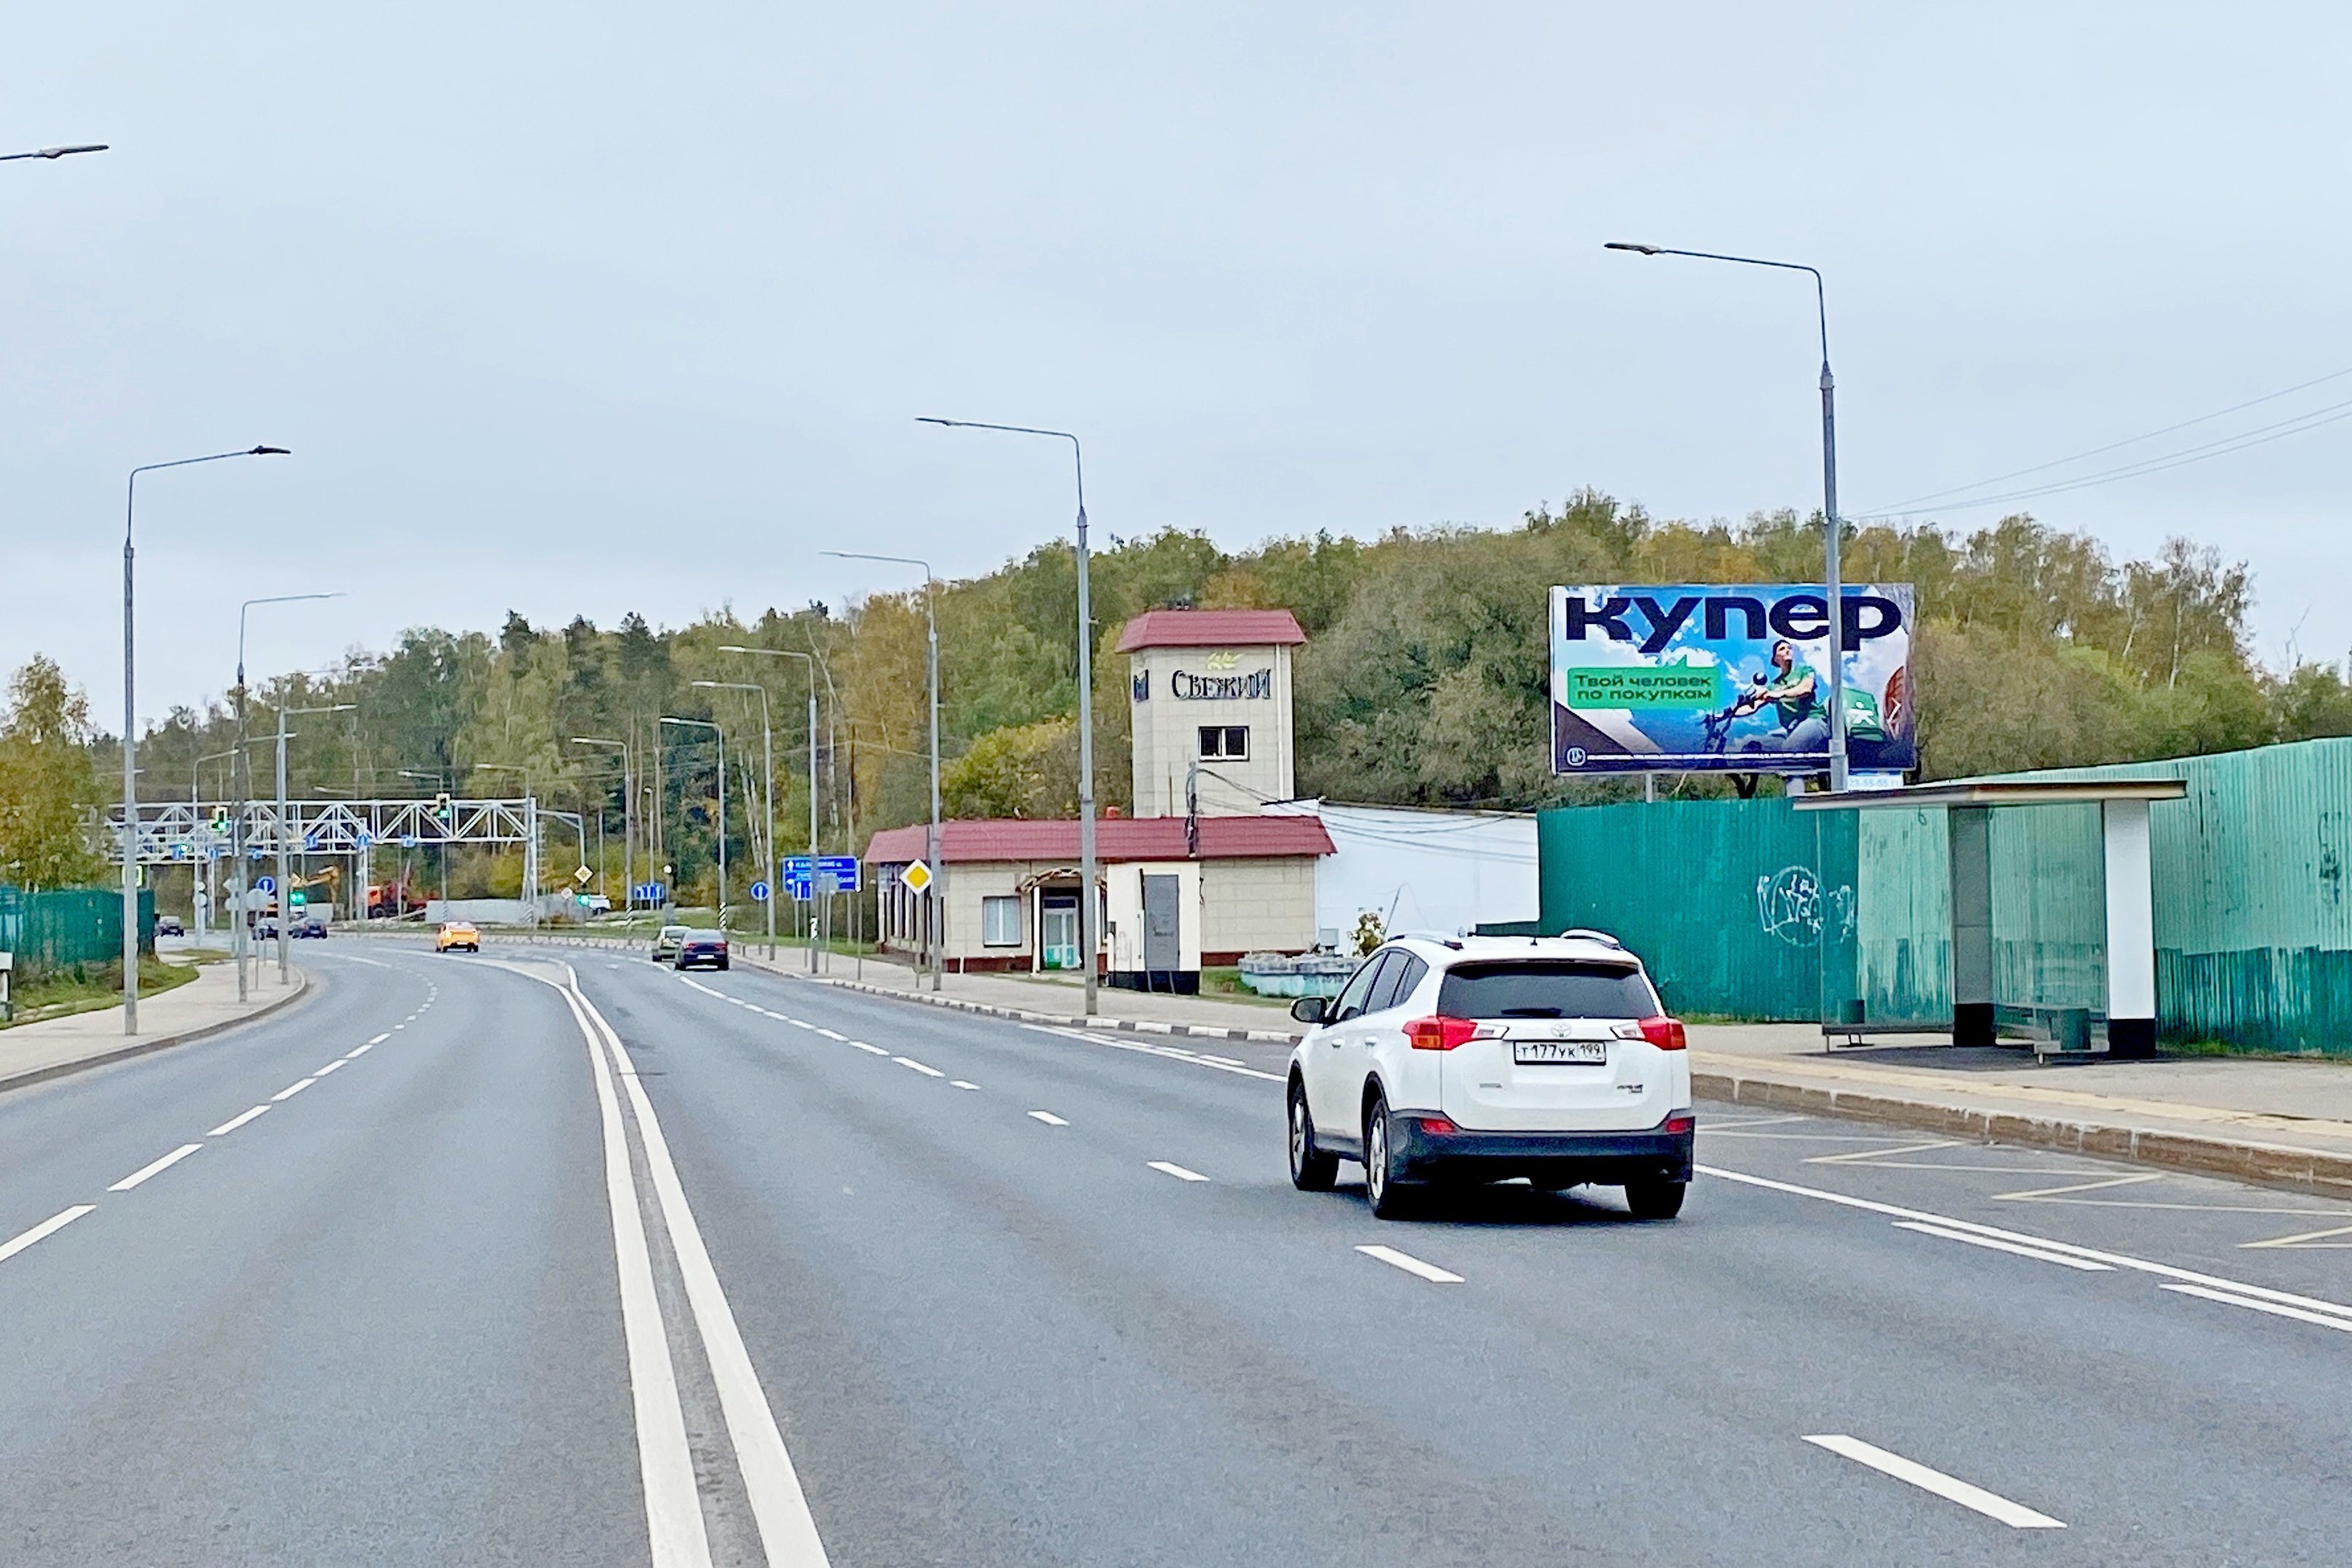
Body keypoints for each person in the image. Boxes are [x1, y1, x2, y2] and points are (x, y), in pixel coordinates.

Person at [1729, 639, 1829, 754]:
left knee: (1790, 749)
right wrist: (1730, 714)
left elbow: (1805, 689)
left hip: (1813, 720)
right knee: (1754, 746)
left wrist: (1777, 694)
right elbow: (1753, 707)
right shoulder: (1774, 685)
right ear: (1775, 659)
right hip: (1790, 729)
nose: (1787, 650)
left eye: (1789, 648)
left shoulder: (1804, 670)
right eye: (1782, 649)